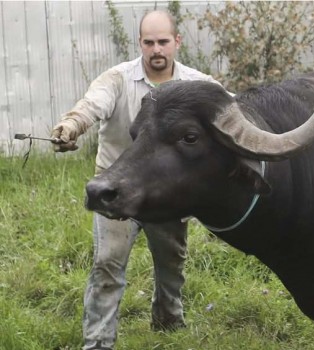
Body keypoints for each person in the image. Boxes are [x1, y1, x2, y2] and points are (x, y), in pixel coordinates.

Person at [51, 10, 226, 350]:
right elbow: (91, 105)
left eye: (163, 42)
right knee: (107, 265)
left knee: (172, 264)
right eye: (149, 42)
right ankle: (98, 342)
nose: (156, 50)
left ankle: (168, 320)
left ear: (177, 42)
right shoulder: (117, 79)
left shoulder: (198, 86)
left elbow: (234, 112)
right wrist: (70, 125)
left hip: (166, 193)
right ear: (140, 44)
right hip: (113, 192)